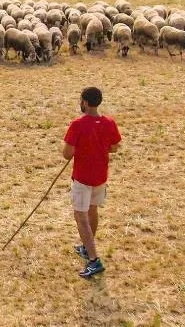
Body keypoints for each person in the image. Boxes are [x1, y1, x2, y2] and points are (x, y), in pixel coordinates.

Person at [62, 87, 121, 278]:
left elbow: (67, 154)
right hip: (100, 176)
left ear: (85, 102)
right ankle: (88, 247)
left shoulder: (77, 124)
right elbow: (114, 148)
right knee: (92, 210)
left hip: (82, 177)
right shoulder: (109, 122)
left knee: (81, 216)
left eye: (81, 100)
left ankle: (94, 260)